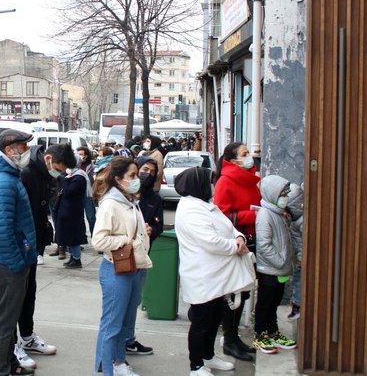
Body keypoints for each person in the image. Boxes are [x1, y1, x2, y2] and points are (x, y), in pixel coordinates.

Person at [174, 167, 254, 376]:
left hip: (218, 275)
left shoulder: (205, 204)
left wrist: (239, 238)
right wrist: (236, 246)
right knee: (201, 322)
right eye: (209, 182)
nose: (212, 186)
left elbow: (229, 226)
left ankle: (208, 356)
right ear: (197, 184)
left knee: (214, 318)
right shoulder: (190, 209)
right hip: (203, 276)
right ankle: (196, 365)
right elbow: (210, 242)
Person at [0, 129, 38, 376]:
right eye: (24, 147)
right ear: (9, 150)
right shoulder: (2, 182)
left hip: (11, 260)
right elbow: (3, 231)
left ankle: (8, 365)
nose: (27, 152)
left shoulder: (8, 176)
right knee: (4, 322)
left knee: (7, 318)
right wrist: (17, 262)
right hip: (7, 263)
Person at [92, 157, 153, 376]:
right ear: (118, 179)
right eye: (133, 175)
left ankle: (118, 363)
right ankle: (106, 368)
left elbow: (128, 229)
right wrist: (126, 241)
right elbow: (98, 241)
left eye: (137, 174)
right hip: (116, 269)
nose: (138, 179)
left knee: (125, 323)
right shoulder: (110, 204)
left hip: (134, 267)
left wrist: (140, 232)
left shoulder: (129, 200)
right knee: (112, 325)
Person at [212, 142, 261, 362]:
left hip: (251, 242)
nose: (250, 156)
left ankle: (235, 338)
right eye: (245, 154)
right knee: (234, 293)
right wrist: (253, 217)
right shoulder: (225, 181)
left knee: (245, 290)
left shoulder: (250, 178)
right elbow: (222, 216)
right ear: (233, 160)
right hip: (237, 243)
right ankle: (229, 340)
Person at [15, 145, 58, 370]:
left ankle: (27, 336)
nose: (59, 173)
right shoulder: (24, 173)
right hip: (16, 250)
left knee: (28, 294)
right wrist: (23, 243)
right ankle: (12, 346)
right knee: (12, 302)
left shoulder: (42, 173)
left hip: (30, 245)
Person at [122, 156, 164, 357]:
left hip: (141, 258)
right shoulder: (123, 195)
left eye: (152, 172)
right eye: (144, 169)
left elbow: (159, 226)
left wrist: (151, 230)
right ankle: (117, 346)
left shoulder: (155, 199)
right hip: (122, 258)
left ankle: (128, 340)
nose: (148, 174)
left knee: (134, 301)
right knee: (121, 303)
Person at [253, 175, 297, 354]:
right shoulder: (265, 215)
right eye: (283, 193)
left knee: (274, 303)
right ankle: (260, 335)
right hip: (270, 269)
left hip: (279, 268)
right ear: (273, 194)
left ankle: (273, 332)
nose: (286, 196)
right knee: (265, 303)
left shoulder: (278, 213)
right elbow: (264, 245)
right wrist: (281, 261)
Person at [50, 144, 88, 268]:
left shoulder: (79, 177)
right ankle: (72, 257)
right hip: (66, 211)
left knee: (73, 237)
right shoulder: (72, 175)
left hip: (73, 212)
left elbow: (68, 191)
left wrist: (65, 179)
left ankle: (76, 259)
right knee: (68, 237)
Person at [287, 183, 304, 320]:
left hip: (299, 259)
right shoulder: (299, 218)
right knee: (297, 281)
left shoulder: (298, 220)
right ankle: (296, 305)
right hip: (298, 258)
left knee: (298, 282)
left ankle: (297, 306)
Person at [77, 146, 97, 238]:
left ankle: (95, 237)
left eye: (81, 154)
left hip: (89, 195)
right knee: (78, 218)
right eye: (78, 154)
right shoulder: (74, 166)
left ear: (86, 156)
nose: (79, 156)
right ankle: (81, 238)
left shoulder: (93, 167)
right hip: (77, 195)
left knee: (91, 217)